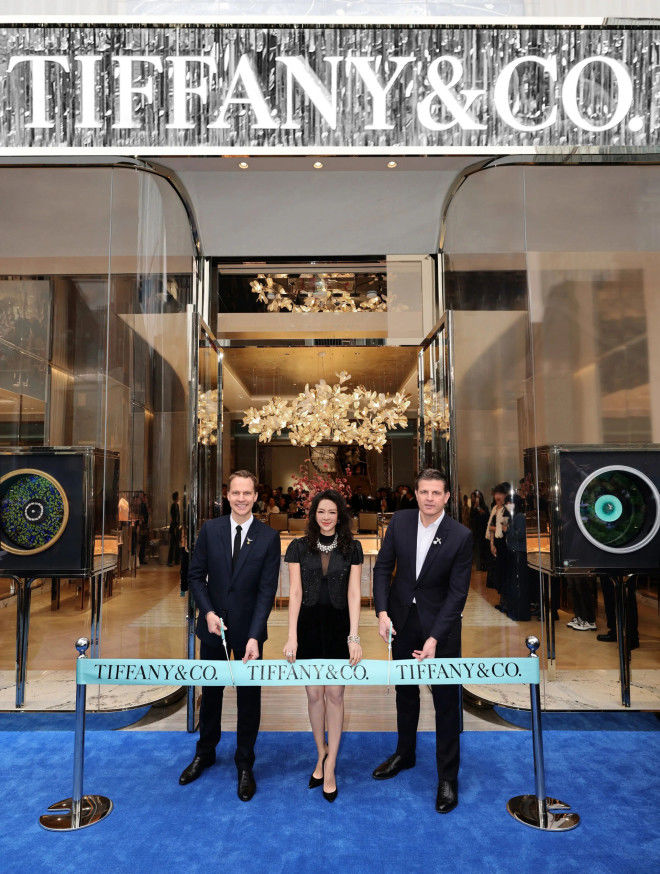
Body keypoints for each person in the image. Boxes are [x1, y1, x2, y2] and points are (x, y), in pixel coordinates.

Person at [372, 469, 473, 814]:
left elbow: (458, 594)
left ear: (447, 497)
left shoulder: (460, 536)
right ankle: (405, 753)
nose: (429, 498)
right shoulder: (400, 522)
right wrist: (382, 612)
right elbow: (383, 568)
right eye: (424, 492)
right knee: (405, 692)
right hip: (401, 622)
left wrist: (434, 638)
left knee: (446, 702)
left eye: (436, 493)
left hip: (441, 629)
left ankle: (448, 777)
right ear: (415, 494)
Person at [179, 470, 281, 801]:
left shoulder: (268, 537)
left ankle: (245, 762)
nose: (241, 498)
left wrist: (255, 636)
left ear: (256, 497)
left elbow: (266, 592)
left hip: (249, 634)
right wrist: (208, 612)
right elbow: (196, 576)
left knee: (249, 699)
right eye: (236, 493)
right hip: (213, 628)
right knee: (211, 694)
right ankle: (205, 752)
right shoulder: (211, 530)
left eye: (247, 493)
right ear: (228, 495)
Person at [283, 489, 363, 802]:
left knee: (335, 694)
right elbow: (295, 594)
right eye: (321, 512)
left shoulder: (352, 547)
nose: (326, 517)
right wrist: (292, 636)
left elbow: (354, 593)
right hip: (308, 627)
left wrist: (354, 637)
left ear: (339, 515)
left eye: (332, 512)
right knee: (314, 694)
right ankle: (321, 753)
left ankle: (330, 766)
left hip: (339, 627)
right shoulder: (298, 547)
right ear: (313, 515)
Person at [468, 490, 489, 570]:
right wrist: (475, 507)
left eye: (476, 497)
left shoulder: (484, 507)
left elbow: (485, 516)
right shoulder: (472, 508)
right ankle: (479, 566)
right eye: (473, 498)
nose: (474, 499)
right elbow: (471, 517)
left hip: (483, 531)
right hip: (475, 532)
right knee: (477, 549)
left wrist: (478, 507)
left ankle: (484, 565)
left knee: (483, 549)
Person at [167, 490, 181, 566]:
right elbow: (174, 518)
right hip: (174, 527)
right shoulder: (173, 506)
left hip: (176, 527)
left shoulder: (177, 505)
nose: (179, 497)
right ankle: (170, 561)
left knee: (176, 544)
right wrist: (176, 526)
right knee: (172, 545)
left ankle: (176, 560)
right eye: (178, 496)